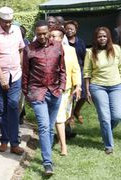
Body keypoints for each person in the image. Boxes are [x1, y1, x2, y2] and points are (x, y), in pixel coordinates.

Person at [22, 20, 66, 176]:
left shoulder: (58, 47)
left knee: (50, 126)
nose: (42, 36)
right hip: (37, 92)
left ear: (49, 32)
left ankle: (47, 152)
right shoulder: (29, 49)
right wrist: (26, 93)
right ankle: (47, 163)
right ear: (35, 33)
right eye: (38, 33)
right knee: (44, 126)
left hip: (55, 92)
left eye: (44, 33)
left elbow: (62, 70)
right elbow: (25, 74)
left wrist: (61, 87)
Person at [0, 6, 25, 155]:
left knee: (13, 107)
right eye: (5, 22)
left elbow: (21, 49)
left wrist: (20, 65)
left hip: (15, 75)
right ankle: (4, 140)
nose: (7, 24)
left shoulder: (16, 31)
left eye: (10, 21)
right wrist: (2, 78)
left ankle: (15, 143)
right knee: (2, 110)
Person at [84, 26, 121, 155]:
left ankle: (106, 131)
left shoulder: (116, 49)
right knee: (105, 117)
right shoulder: (90, 52)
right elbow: (87, 72)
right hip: (98, 87)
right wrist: (87, 90)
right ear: (96, 38)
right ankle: (108, 145)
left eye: (104, 36)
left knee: (117, 116)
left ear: (108, 37)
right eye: (99, 36)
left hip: (116, 86)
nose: (102, 38)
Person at [49, 25, 81, 156]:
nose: (50, 38)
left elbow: (75, 69)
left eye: (53, 36)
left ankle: (60, 142)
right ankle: (60, 145)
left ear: (61, 38)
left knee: (62, 117)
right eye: (50, 36)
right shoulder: (45, 50)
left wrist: (77, 86)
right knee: (57, 118)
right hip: (50, 89)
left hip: (66, 89)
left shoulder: (70, 50)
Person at [64, 20, 87, 125]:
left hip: (80, 70)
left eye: (71, 29)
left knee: (84, 95)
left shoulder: (80, 42)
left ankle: (77, 110)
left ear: (76, 30)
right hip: (68, 70)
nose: (69, 31)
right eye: (67, 29)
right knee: (71, 94)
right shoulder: (63, 42)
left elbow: (84, 57)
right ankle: (71, 115)